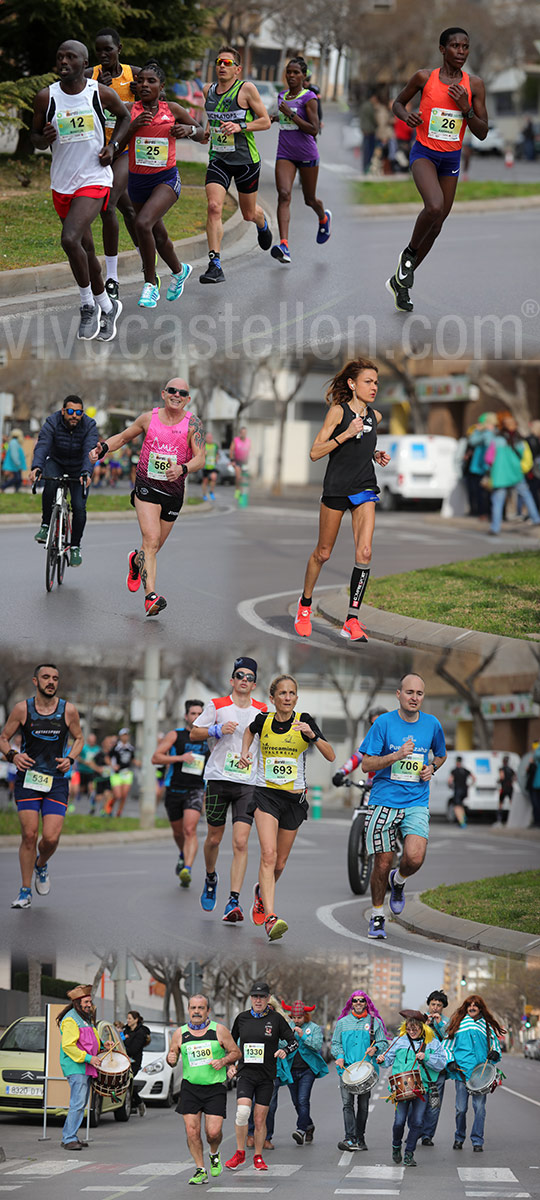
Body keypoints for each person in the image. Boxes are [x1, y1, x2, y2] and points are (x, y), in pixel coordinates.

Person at [31, 40, 130, 340]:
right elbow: (34, 138)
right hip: (62, 182)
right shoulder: (46, 97)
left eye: (70, 57)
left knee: (69, 238)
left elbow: (126, 117)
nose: (63, 61)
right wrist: (43, 137)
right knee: (84, 250)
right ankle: (107, 305)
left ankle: (87, 305)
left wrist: (113, 148)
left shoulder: (98, 93)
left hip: (94, 178)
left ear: (83, 62)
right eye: (60, 56)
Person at [386, 28, 488, 312]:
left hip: (451, 160)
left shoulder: (475, 85)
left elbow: (482, 133)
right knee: (433, 207)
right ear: (442, 49)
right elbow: (397, 103)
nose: (461, 52)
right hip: (424, 155)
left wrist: (466, 108)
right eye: (455, 46)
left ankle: (400, 282)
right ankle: (408, 255)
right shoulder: (424, 77)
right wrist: (408, 116)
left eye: (465, 47)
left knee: (438, 223)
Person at [90, 379, 206, 616]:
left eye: (182, 393)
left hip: (173, 492)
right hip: (147, 487)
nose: (176, 395)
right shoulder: (148, 419)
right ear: (164, 394)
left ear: (187, 398)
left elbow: (200, 458)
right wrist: (102, 448)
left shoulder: (193, 424)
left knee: (153, 547)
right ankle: (150, 597)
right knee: (151, 540)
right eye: (172, 391)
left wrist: (182, 469)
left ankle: (135, 561)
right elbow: (122, 438)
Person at [294, 358, 390, 642]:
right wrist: (345, 435)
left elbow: (362, 448)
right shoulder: (339, 412)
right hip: (336, 488)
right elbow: (315, 452)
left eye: (376, 382)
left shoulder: (376, 416)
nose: (374, 387)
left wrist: (375, 455)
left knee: (365, 552)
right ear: (352, 384)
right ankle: (305, 605)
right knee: (323, 553)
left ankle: (352, 619)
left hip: (364, 487)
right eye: (368, 382)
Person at [239, 673, 335, 941]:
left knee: (279, 863)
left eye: (292, 693)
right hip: (265, 795)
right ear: (272, 698)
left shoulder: (304, 721)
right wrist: (246, 752)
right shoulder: (263, 720)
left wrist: (312, 735)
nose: (287, 698)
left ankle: (261, 894)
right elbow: (249, 731)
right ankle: (271, 917)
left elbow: (331, 755)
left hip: (293, 800)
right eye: (282, 693)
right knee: (268, 855)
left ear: (296, 697)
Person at [359, 673, 447, 940]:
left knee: (415, 858)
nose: (414, 698)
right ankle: (377, 916)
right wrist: (396, 755)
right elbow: (366, 764)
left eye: (419, 694)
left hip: (416, 801)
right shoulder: (383, 724)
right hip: (384, 800)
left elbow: (441, 755)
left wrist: (431, 768)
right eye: (409, 693)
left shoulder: (432, 724)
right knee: (382, 863)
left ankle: (399, 882)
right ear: (398, 694)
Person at [118, 58, 205, 308]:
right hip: (138, 182)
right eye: (141, 81)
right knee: (159, 234)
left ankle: (149, 284)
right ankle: (179, 271)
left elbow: (202, 134)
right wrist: (133, 127)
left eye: (151, 81)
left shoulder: (173, 110)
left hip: (166, 180)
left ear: (161, 86)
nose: (145, 85)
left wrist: (188, 131)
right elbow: (119, 147)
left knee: (142, 223)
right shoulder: (128, 110)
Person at [0, 664, 84, 909]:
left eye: (55, 678)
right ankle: (25, 891)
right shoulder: (22, 709)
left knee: (50, 838)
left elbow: (79, 737)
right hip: (28, 779)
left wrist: (70, 758)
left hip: (56, 781)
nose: (51, 682)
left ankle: (41, 864)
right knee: (29, 835)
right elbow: (3, 738)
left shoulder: (68, 710)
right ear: (35, 681)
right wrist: (13, 756)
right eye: (46, 677)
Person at [191, 657, 267, 922]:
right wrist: (216, 729)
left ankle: (233, 900)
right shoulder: (217, 705)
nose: (244, 680)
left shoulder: (262, 710)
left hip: (247, 783)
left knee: (241, 842)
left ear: (254, 683)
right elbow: (194, 733)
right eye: (240, 675)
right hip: (218, 779)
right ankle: (211, 876)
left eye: (249, 676)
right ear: (232, 680)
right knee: (214, 838)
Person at [200, 46, 272, 283]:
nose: (221, 66)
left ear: (237, 70)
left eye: (227, 63)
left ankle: (262, 223)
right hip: (219, 159)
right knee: (213, 206)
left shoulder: (246, 89)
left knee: (248, 213)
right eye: (219, 62)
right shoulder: (207, 90)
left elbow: (265, 121)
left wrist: (241, 126)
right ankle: (215, 264)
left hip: (245, 161)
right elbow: (212, 117)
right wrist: (207, 131)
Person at [86, 28, 141, 298]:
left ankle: (112, 278)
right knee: (129, 211)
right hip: (99, 152)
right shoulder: (90, 76)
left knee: (107, 206)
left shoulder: (136, 75)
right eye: (99, 50)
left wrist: (139, 94)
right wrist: (101, 88)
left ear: (119, 48)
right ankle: (147, 255)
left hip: (125, 150)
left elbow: (157, 101)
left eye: (108, 49)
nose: (104, 54)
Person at [167, 993, 241, 1185]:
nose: (197, 1012)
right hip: (190, 1087)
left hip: (214, 1088)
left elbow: (236, 1052)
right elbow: (172, 1055)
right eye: (193, 1008)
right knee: (192, 1132)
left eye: (201, 1008)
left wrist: (223, 1061)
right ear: (188, 1010)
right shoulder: (180, 1033)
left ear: (208, 1011)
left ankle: (214, 1154)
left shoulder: (219, 1030)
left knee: (213, 1133)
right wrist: (171, 1058)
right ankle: (200, 1169)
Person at [226, 981, 298, 1173]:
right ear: (251, 998)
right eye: (255, 996)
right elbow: (231, 1045)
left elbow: (293, 1042)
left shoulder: (276, 1019)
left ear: (268, 999)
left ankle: (258, 1156)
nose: (258, 1000)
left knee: (259, 1120)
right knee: (242, 1112)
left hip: (267, 1076)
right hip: (245, 1074)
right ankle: (240, 1153)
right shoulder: (241, 1018)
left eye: (262, 997)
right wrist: (230, 1065)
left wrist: (284, 1050)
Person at [269, 56, 330, 266]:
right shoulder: (281, 96)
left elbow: (313, 129)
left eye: (296, 72)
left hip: (307, 154)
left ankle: (323, 217)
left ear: (304, 76)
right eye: (289, 72)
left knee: (309, 199)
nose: (291, 76)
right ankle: (284, 245)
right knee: (284, 195)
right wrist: (276, 117)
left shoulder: (309, 97)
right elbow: (285, 118)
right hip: (285, 153)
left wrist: (290, 114)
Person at [29, 395, 99, 568]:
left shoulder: (89, 425)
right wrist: (36, 467)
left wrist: (86, 472)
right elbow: (43, 444)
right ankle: (46, 525)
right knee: (50, 484)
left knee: (79, 506)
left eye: (78, 412)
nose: (74, 415)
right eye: (70, 411)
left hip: (78, 467)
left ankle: (75, 546)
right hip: (57, 462)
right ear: (63, 411)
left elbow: (89, 450)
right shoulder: (52, 421)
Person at [377, 1009, 448, 1167]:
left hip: (422, 1089)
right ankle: (396, 1146)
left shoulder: (432, 1042)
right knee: (399, 1122)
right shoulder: (399, 1041)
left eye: (415, 1029)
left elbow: (442, 1063)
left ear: (423, 1028)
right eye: (408, 1029)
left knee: (417, 1122)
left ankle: (409, 1153)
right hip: (401, 1088)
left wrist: (427, 1057)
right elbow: (387, 1061)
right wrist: (381, 1059)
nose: (411, 1032)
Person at [152, 700, 210, 885]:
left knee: (189, 829)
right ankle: (183, 853)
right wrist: (180, 758)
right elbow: (156, 757)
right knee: (178, 833)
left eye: (200, 714)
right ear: (186, 716)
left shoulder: (209, 737)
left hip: (196, 789)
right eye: (193, 714)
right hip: (174, 788)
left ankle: (187, 868)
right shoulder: (175, 735)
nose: (197, 717)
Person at [57, 984, 114, 1150]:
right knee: (78, 1103)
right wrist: (89, 1058)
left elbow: (90, 1041)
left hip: (85, 1067)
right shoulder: (70, 1019)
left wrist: (103, 1045)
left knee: (80, 1103)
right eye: (86, 1002)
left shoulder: (84, 1018)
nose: (89, 1005)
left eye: (90, 1001)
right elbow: (69, 1046)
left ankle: (71, 1136)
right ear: (77, 1003)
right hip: (77, 1067)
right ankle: (68, 1139)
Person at [331, 990, 388, 1152]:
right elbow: (335, 1043)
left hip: (365, 1072)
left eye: (361, 1000)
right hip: (346, 1070)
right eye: (355, 1000)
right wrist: (340, 1056)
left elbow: (383, 1042)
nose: (358, 1003)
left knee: (363, 1106)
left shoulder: (374, 1022)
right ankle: (350, 1138)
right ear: (351, 1003)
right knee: (347, 1105)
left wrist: (375, 1048)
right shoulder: (342, 1023)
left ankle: (360, 1137)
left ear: (366, 1003)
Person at [445, 994, 503, 1152]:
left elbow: (496, 1045)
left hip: (481, 1075)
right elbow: (447, 1046)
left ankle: (477, 1141)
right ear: (466, 1007)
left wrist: (495, 1053)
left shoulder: (487, 1026)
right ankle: (459, 1137)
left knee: (479, 1109)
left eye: (475, 1005)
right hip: (461, 1073)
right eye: (469, 1005)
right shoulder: (458, 1024)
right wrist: (450, 1061)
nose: (472, 1007)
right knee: (461, 1109)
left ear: (480, 1008)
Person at [278, 1000, 328, 1146]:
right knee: (296, 1102)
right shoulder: (287, 1027)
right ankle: (309, 1125)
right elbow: (281, 1044)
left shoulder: (314, 1028)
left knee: (303, 1099)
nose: (296, 1020)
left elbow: (317, 1045)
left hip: (307, 1070)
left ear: (305, 1016)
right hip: (291, 1069)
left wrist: (303, 1036)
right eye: (293, 1017)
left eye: (299, 1017)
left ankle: (300, 1130)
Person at [420, 990, 450, 1146]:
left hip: (438, 1070)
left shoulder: (447, 1022)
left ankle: (427, 1135)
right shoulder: (420, 1019)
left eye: (439, 1005)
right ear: (428, 1005)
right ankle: (415, 1129)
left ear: (443, 1007)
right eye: (433, 1004)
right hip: (419, 1068)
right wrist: (425, 1026)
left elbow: (449, 1039)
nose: (435, 1008)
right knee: (417, 1101)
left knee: (434, 1104)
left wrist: (438, 1025)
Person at [106, 727, 140, 816]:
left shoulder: (131, 748)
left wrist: (138, 763)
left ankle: (119, 813)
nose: (125, 737)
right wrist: (113, 766)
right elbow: (107, 758)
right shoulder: (116, 747)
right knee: (118, 795)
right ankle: (110, 806)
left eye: (127, 735)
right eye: (124, 735)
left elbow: (132, 759)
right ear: (120, 736)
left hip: (127, 773)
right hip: (116, 773)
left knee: (124, 795)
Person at [123, 1009, 150, 1117]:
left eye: (130, 1018)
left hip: (134, 1062)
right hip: (123, 1060)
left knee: (128, 1081)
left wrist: (124, 1047)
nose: (128, 1021)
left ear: (136, 1020)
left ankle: (138, 1103)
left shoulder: (141, 1033)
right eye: (127, 1018)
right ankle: (135, 1104)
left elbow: (134, 1049)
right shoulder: (126, 1031)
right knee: (125, 1082)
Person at [448, 756, 474, 829]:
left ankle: (462, 822)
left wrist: (450, 786)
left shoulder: (454, 770)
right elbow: (474, 778)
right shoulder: (465, 770)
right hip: (465, 790)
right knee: (460, 805)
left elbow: (450, 781)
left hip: (457, 790)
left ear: (456, 762)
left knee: (456, 807)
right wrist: (470, 785)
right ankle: (464, 816)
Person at [229, 426, 251, 496]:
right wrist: (232, 460)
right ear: (240, 433)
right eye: (242, 433)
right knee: (238, 477)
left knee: (244, 478)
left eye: (245, 433)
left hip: (245, 462)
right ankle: (237, 490)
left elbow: (252, 451)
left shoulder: (249, 441)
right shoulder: (236, 440)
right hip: (237, 461)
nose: (243, 434)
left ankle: (242, 492)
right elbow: (231, 450)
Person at [495, 754, 516, 824]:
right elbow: (515, 778)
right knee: (511, 803)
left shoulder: (502, 768)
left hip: (504, 788)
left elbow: (502, 777)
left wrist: (498, 781)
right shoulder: (511, 769)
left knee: (501, 803)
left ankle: (499, 819)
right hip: (510, 787)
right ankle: (513, 818)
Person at [201, 432, 219, 500]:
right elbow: (200, 455)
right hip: (205, 466)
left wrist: (217, 458)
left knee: (214, 477)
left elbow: (217, 453)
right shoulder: (204, 446)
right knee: (205, 481)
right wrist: (204, 454)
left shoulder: (215, 445)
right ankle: (204, 494)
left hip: (212, 466)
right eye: (208, 438)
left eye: (211, 438)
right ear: (206, 438)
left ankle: (211, 492)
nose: (210, 439)